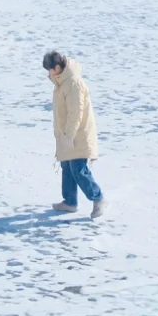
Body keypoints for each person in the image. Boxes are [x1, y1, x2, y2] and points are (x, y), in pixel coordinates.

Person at [42, 51, 105, 218]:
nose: (48, 74)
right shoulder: (62, 82)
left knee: (78, 169)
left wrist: (68, 136)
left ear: (57, 67)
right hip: (67, 134)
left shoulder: (73, 83)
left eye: (50, 70)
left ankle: (98, 198)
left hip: (79, 135)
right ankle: (70, 202)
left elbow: (75, 114)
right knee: (67, 167)